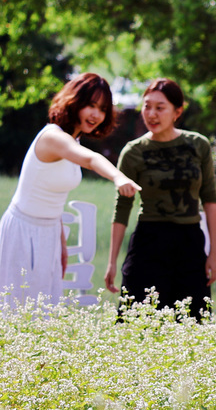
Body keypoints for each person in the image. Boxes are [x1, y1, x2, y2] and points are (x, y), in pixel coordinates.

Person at [0, 73, 139, 308]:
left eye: (103, 109)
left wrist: (60, 240)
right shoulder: (53, 137)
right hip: (24, 232)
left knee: (44, 314)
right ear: (75, 101)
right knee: (16, 311)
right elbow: (91, 160)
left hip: (50, 231)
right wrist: (118, 177)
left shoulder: (73, 141)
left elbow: (54, 196)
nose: (96, 115)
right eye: (91, 105)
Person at [105, 78, 216, 319]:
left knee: (192, 323)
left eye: (160, 107)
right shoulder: (133, 152)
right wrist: (112, 261)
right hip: (149, 242)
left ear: (177, 112)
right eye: (147, 106)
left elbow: (209, 197)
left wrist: (214, 253)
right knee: (138, 322)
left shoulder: (198, 145)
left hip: (190, 242)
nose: (151, 114)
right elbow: (123, 208)